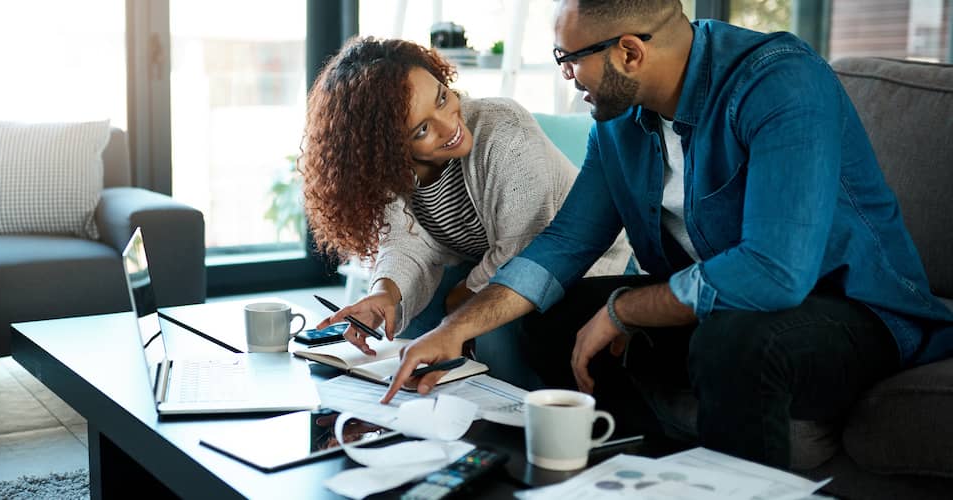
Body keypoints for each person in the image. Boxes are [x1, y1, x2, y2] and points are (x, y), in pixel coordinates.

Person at [383, 0, 953, 469]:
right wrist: (453, 330)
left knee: (734, 340)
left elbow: (775, 273)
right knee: (549, 314)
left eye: (567, 59)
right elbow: (564, 246)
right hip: (724, 310)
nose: (564, 75)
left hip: (852, 313)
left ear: (629, 52)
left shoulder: (780, 83)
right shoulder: (618, 123)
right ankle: (629, 464)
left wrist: (626, 310)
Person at [302, 36, 632, 389]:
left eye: (443, 98)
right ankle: (416, 410)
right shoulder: (392, 172)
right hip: (486, 264)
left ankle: (512, 417)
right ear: (388, 151)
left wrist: (459, 301)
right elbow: (406, 243)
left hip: (579, 266)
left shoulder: (504, 130)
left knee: (490, 331)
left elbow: (525, 252)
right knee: (408, 325)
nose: (449, 125)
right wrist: (386, 293)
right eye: (423, 130)